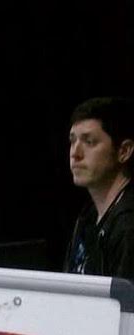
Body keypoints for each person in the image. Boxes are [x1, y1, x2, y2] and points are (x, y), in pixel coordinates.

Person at [65, 96, 134, 279]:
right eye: (72, 141)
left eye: (89, 142)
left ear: (124, 151)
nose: (75, 154)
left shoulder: (128, 226)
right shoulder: (87, 217)